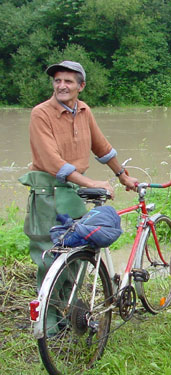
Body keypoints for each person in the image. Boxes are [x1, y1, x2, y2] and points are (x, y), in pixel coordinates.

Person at [19, 61, 137, 330]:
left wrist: (123, 175)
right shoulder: (41, 114)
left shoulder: (84, 110)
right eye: (57, 80)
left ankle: (68, 314)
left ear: (81, 86)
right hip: (47, 190)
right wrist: (92, 181)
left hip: (73, 192)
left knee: (79, 252)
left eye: (68, 81)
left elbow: (102, 147)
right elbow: (53, 162)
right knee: (50, 255)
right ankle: (48, 323)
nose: (62, 86)